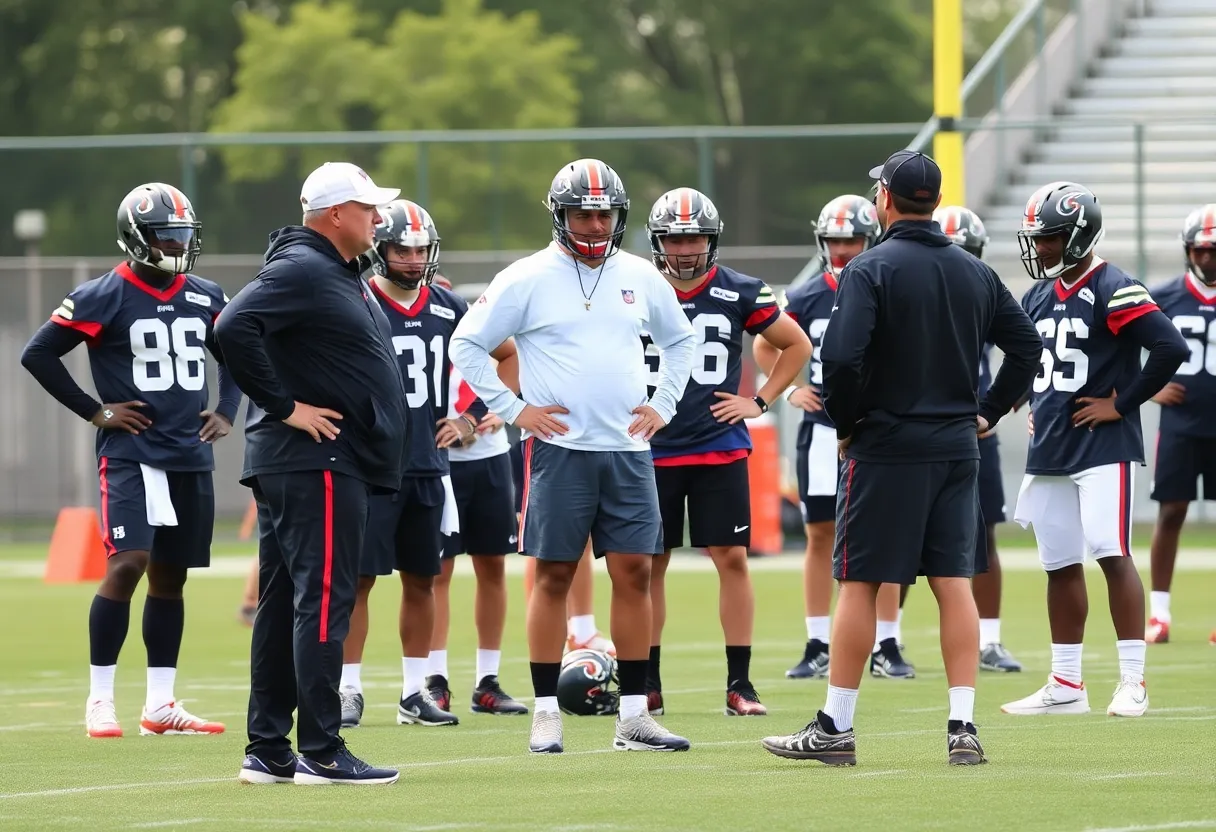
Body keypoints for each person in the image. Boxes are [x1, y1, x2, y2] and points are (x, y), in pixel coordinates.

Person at [761, 150, 1042, 767]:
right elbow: (1027, 347)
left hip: (885, 447)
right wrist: (988, 412)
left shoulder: (870, 269)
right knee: (953, 582)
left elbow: (840, 360)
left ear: (885, 199)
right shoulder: (975, 272)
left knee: (860, 582)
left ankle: (835, 727)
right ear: (935, 201)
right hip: (955, 447)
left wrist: (849, 419)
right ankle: (963, 726)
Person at [451, 158, 697, 754]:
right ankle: (544, 712)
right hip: (558, 450)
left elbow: (681, 339)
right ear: (559, 215)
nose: (594, 223)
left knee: (636, 572)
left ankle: (635, 715)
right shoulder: (527, 276)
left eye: (604, 212)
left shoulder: (640, 272)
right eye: (583, 212)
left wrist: (662, 404)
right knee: (555, 574)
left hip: (628, 449)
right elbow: (468, 343)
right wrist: (514, 411)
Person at [21, 182, 241, 739]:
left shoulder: (206, 293)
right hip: (132, 453)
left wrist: (226, 409)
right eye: (165, 237)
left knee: (171, 578)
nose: (175, 247)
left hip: (188, 455)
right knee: (128, 563)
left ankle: (160, 705)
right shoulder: (102, 295)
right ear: (136, 239)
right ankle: (99, 699)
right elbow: (38, 353)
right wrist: (95, 412)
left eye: (181, 237)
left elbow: (240, 353)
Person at [216, 161, 407, 785]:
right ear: (333, 214)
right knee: (324, 600)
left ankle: (268, 750)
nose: (378, 218)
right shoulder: (304, 266)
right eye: (368, 208)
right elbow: (231, 326)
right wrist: (286, 407)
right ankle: (322, 750)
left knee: (280, 605)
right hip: (315, 460)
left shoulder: (335, 271)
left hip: (310, 463)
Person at [1002, 181, 1188, 719]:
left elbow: (1168, 346)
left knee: (1110, 551)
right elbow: (1027, 363)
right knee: (1058, 564)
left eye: (1050, 238)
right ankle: (1066, 684)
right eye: (1037, 238)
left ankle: (1134, 682)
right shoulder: (1038, 294)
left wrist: (1122, 403)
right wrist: (1008, 403)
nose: (1040, 248)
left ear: (1079, 235)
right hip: (1052, 443)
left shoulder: (1114, 284)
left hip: (1102, 444)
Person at [641, 187, 811, 717]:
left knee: (731, 558)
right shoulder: (634, 289)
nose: (686, 249)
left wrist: (758, 400)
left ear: (711, 240)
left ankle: (740, 683)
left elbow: (796, 344)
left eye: (695, 238)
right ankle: (646, 682)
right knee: (648, 566)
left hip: (717, 444)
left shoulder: (740, 289)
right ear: (658, 241)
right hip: (650, 446)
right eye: (675, 238)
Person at [760, 194, 914, 683]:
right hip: (825, 429)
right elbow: (767, 343)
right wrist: (790, 390)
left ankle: (888, 641)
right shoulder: (806, 296)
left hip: (878, 428)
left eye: (851, 240)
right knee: (820, 534)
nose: (843, 250)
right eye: (834, 241)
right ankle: (818, 640)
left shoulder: (888, 283)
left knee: (884, 537)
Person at [932, 204, 1023, 673]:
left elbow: (1029, 344)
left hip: (973, 426)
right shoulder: (912, 286)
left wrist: (999, 405)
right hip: (920, 427)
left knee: (983, 536)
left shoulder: (985, 289)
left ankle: (990, 639)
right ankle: (888, 641)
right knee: (898, 542)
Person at [430, 365, 529, 716]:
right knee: (435, 573)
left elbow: (514, 357)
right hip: (437, 461)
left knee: (492, 567)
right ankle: (433, 680)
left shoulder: (479, 316)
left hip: (489, 458)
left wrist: (504, 407)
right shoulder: (432, 316)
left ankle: (487, 681)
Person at [1144, 204, 1216, 644]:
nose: (1208, 259)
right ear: (1189, 250)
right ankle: (1160, 614)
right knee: (1171, 512)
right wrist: (1146, 387)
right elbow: (1116, 344)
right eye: (1201, 250)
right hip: (1181, 424)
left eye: (1215, 250)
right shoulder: (1164, 295)